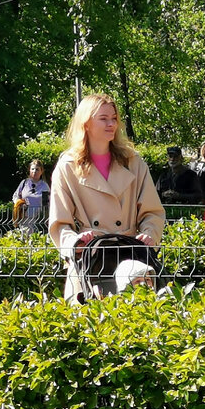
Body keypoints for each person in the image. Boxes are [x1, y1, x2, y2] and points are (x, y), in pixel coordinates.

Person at [48, 93, 166, 300]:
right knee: (88, 325)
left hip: (132, 260)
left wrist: (150, 234)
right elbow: (59, 224)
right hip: (89, 261)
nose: (111, 124)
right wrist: (75, 243)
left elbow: (153, 211)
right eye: (103, 119)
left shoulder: (133, 162)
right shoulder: (67, 166)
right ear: (86, 123)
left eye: (114, 118)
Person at [12, 160, 51, 234]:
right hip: (24, 219)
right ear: (29, 170)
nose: (34, 171)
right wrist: (20, 203)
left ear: (41, 171)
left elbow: (47, 204)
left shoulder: (44, 186)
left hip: (38, 220)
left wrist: (47, 219)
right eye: (32, 169)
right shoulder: (24, 183)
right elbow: (15, 196)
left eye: (37, 169)